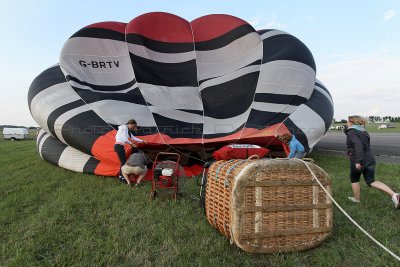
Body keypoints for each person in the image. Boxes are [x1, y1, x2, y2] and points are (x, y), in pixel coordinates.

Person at [345, 115, 399, 209]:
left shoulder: (352, 133)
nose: (346, 123)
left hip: (359, 160)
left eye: (347, 121)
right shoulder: (364, 132)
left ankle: (357, 199)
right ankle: (395, 195)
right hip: (370, 160)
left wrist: (358, 161)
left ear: (351, 122)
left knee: (354, 179)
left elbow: (358, 146)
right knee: (371, 181)